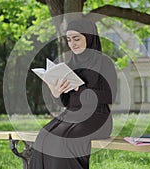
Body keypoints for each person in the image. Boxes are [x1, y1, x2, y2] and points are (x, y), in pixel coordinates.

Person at [30, 18, 117, 169]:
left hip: (98, 118)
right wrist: (56, 93)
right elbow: (67, 102)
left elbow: (110, 96)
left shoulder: (104, 62)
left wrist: (81, 90)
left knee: (63, 140)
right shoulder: (71, 64)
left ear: (89, 38)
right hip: (72, 115)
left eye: (76, 39)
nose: (72, 44)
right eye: (69, 40)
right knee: (44, 136)